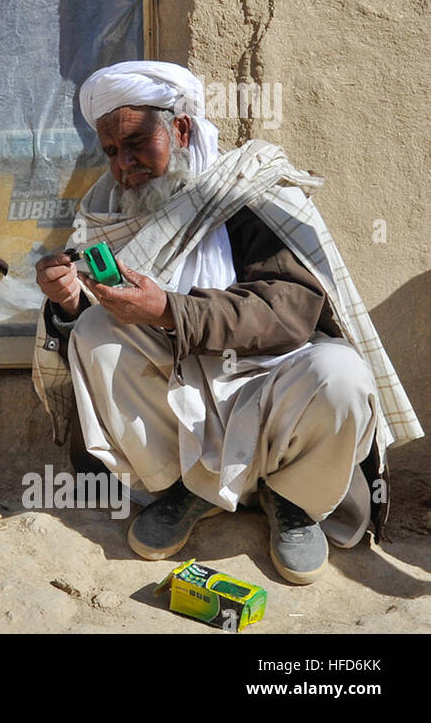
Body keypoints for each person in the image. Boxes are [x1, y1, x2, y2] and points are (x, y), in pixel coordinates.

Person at [32, 61, 422, 584]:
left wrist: (171, 310)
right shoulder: (108, 214)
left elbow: (290, 308)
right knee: (95, 335)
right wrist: (69, 302)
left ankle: (294, 501)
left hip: (272, 382)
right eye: (111, 152)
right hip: (180, 390)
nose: (124, 165)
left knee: (342, 373)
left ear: (182, 129)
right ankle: (186, 488)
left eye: (136, 143)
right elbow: (101, 318)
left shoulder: (252, 192)